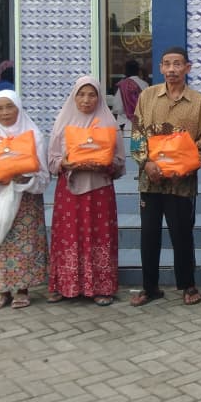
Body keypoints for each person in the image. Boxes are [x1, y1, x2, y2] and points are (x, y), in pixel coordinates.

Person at [129, 46, 201, 307]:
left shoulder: (197, 100)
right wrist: (146, 163)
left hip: (181, 183)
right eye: (167, 64)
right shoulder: (147, 96)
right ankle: (150, 288)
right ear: (160, 68)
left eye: (177, 64)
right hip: (150, 180)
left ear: (187, 67)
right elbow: (137, 133)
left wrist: (183, 167)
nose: (172, 69)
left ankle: (187, 285)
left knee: (182, 234)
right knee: (149, 235)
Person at [46, 76, 126, 306]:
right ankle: (65, 285)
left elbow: (120, 162)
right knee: (68, 235)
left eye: (92, 95)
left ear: (99, 98)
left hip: (99, 191)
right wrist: (66, 163)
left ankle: (101, 287)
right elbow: (52, 160)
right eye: (81, 94)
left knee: (100, 236)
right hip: (69, 192)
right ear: (74, 96)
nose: (86, 99)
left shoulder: (108, 124)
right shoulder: (63, 123)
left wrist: (105, 164)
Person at [0, 90, 50, 310]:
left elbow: (43, 173)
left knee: (24, 244)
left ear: (18, 107)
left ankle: (22, 290)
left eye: (9, 107)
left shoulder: (33, 133)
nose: (5, 113)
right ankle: (1, 290)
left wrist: (26, 177)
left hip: (24, 200)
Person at [114, 58, 149, 128]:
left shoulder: (123, 85)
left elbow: (117, 108)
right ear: (138, 71)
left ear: (126, 71)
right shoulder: (145, 84)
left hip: (125, 123)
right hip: (141, 122)